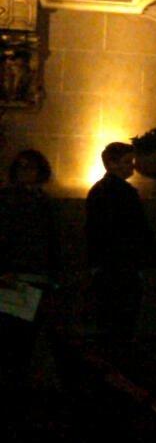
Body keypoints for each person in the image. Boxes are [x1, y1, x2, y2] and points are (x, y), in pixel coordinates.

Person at [86, 142, 156, 345]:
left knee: (108, 324)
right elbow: (133, 231)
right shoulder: (123, 193)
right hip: (122, 268)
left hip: (108, 267)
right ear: (112, 163)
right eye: (127, 162)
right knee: (122, 325)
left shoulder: (99, 191)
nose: (131, 167)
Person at [0, 149, 60, 389]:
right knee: (14, 335)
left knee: (26, 336)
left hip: (34, 275)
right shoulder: (10, 199)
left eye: (31, 168)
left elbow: (51, 239)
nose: (26, 172)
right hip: (16, 275)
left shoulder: (41, 201)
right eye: (22, 167)